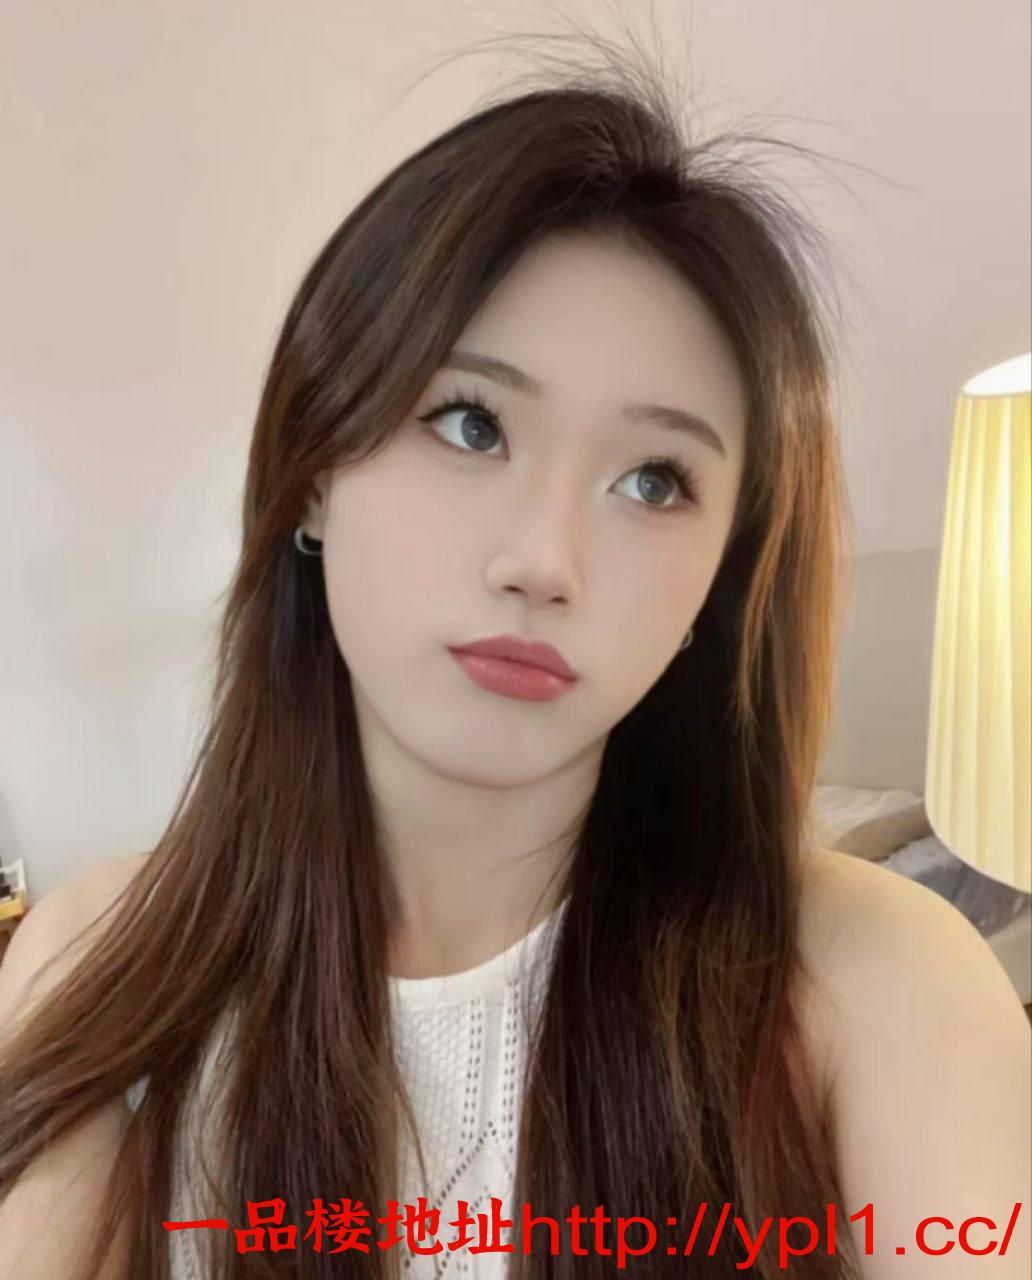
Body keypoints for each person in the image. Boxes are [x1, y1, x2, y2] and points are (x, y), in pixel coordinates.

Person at [0, 22, 1028, 1280]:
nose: (545, 560)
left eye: (654, 480)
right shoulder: (103, 964)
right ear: (314, 472)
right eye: (471, 422)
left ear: (719, 580)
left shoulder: (879, 983)